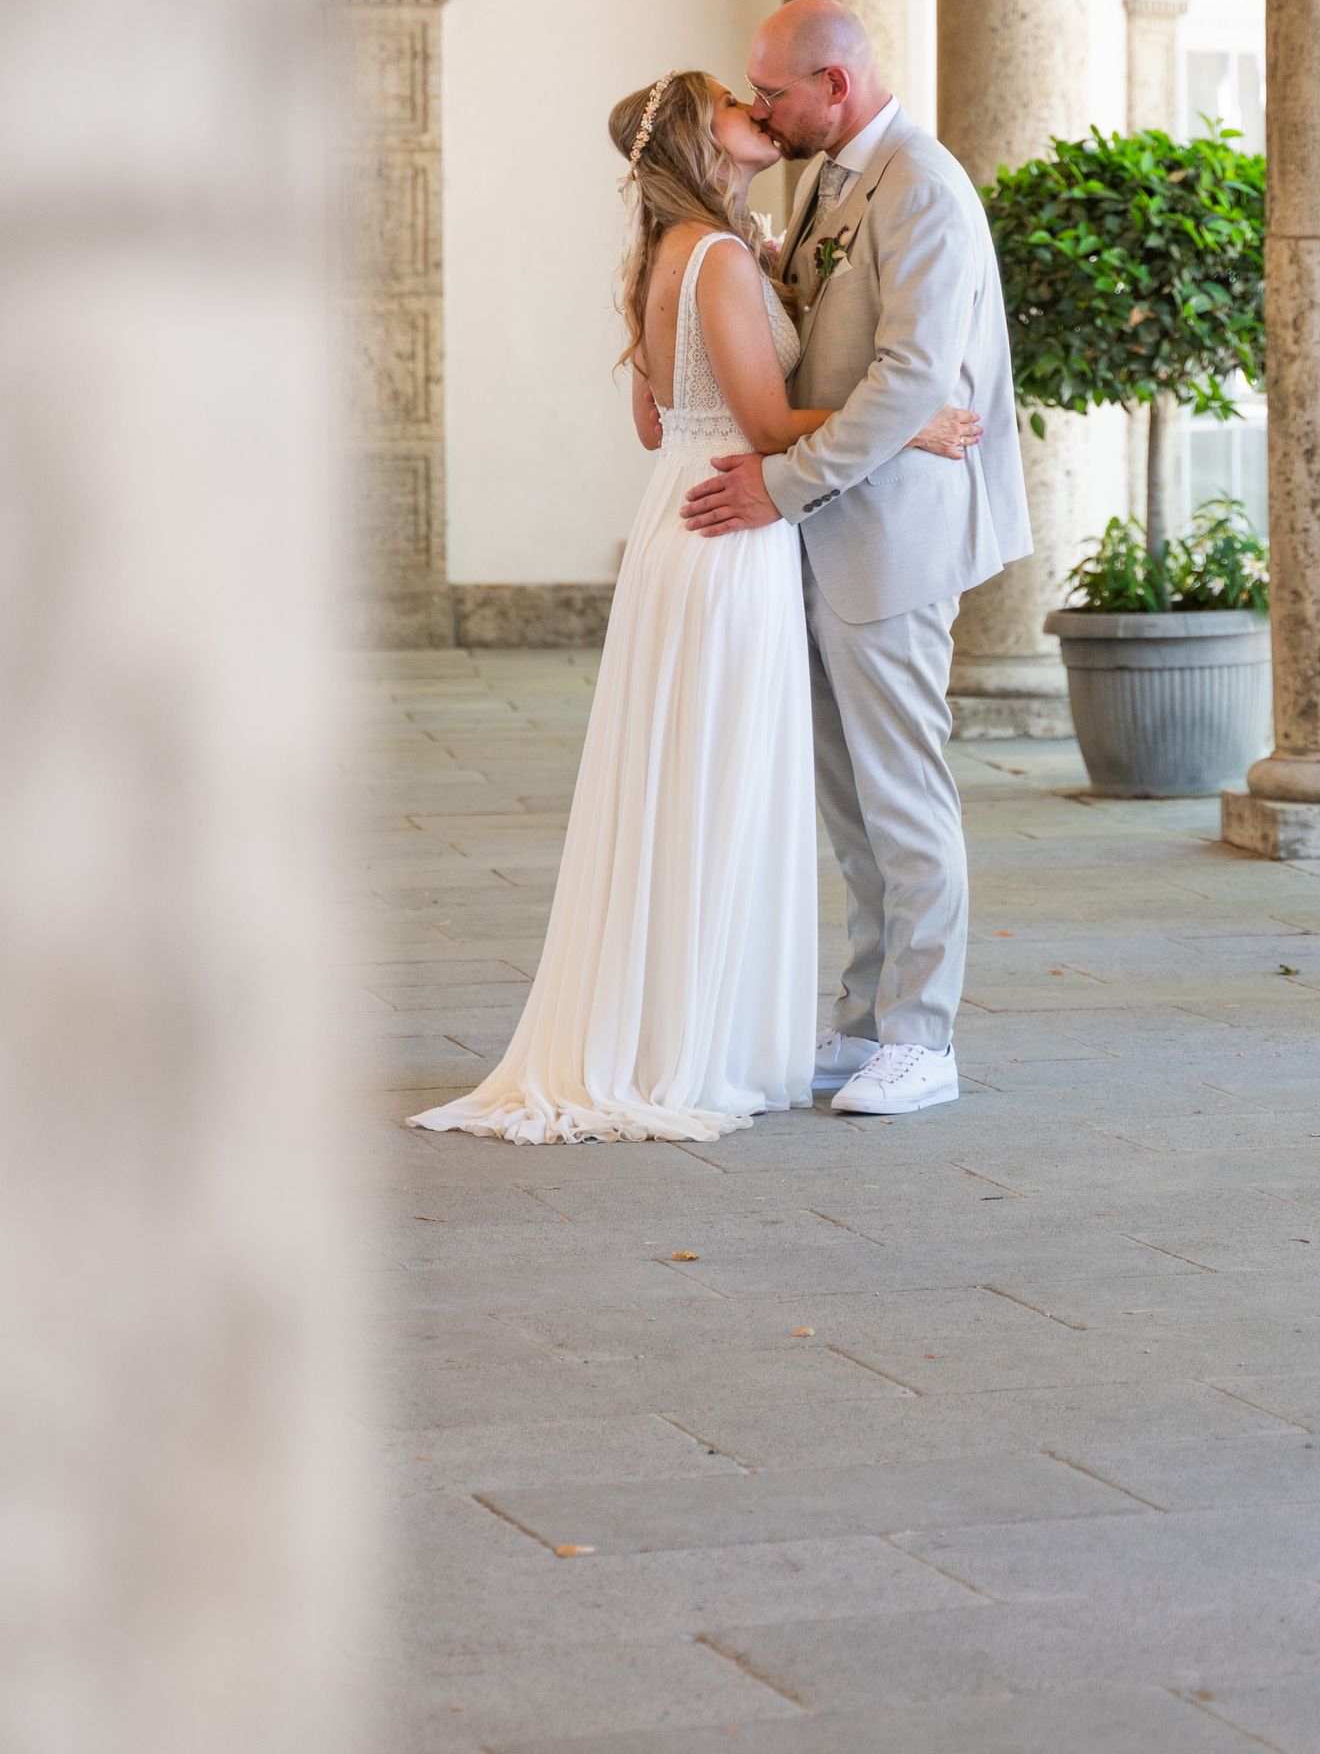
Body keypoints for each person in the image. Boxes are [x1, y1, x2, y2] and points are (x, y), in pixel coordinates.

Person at [407, 68, 980, 1144]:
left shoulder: (667, 257)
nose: (757, 113)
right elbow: (764, 426)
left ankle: (682, 1026)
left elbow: (653, 420)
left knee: (684, 789)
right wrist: (908, 424)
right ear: (697, 137)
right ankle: (700, 1041)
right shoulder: (714, 257)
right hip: (735, 531)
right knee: (723, 792)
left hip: (683, 516)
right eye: (735, 103)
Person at [682, 0, 1030, 1118]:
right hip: (829, 533)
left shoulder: (923, 187)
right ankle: (865, 1019)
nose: (764, 111)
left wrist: (779, 487)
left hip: (892, 535)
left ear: (836, 84)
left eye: (774, 92)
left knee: (903, 791)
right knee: (848, 800)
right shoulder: (828, 179)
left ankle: (925, 1039)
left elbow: (913, 377)